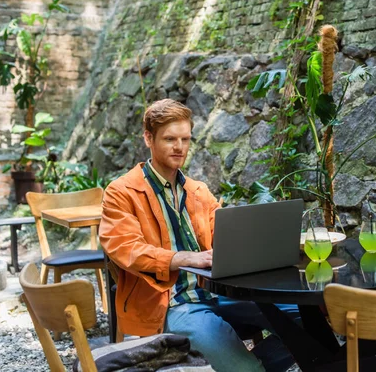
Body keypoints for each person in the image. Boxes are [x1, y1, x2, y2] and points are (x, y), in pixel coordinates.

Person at [99, 99, 296, 372]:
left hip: (221, 292)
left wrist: (265, 243)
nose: (179, 147)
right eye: (170, 139)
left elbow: (226, 238)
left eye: (185, 139)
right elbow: (125, 248)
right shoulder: (121, 192)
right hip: (172, 303)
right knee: (249, 368)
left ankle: (251, 367)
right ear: (148, 138)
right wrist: (184, 258)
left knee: (310, 324)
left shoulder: (198, 191)